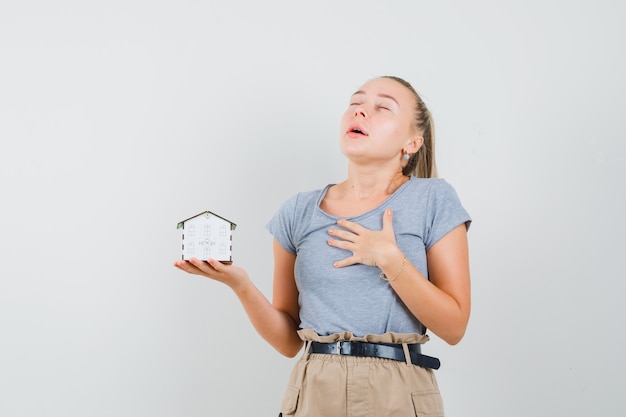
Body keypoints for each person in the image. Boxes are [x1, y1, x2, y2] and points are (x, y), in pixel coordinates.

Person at [174, 75, 471, 416]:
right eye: (355, 104)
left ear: (413, 142)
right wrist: (239, 284)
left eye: (382, 107)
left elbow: (454, 326)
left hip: (399, 392)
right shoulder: (297, 212)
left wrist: (390, 260)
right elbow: (288, 342)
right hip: (314, 390)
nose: (360, 113)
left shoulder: (433, 198)